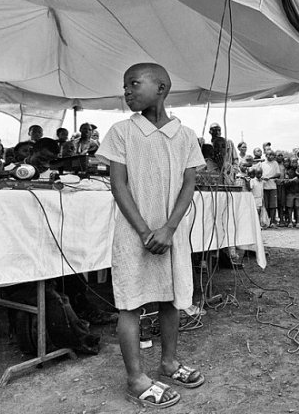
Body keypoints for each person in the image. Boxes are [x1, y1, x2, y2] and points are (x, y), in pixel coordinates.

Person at [96, 63, 205, 408]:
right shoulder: (121, 132)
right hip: (134, 233)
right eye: (124, 86)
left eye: (133, 84)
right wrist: (145, 231)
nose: (126, 91)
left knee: (170, 297)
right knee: (130, 303)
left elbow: (189, 183)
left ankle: (169, 362)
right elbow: (118, 184)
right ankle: (135, 378)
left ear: (161, 87)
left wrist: (169, 228)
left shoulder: (185, 135)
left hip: (171, 232)